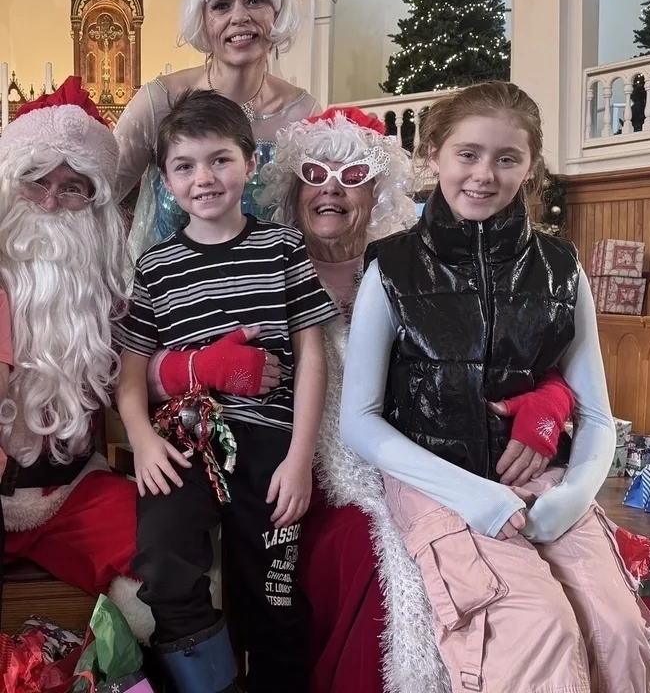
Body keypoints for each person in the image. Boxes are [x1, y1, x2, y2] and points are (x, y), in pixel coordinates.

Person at [149, 107, 580, 693]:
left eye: (352, 176)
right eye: (315, 174)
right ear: (290, 187)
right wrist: (194, 368)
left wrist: (553, 397)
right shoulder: (259, 261)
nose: (331, 189)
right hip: (297, 477)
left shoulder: (411, 266)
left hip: (425, 466)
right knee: (371, 561)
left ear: (377, 191)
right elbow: (151, 363)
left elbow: (498, 355)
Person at [339, 82, 650, 693]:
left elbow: (596, 413)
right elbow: (359, 418)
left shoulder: (561, 267)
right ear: (434, 154)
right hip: (438, 481)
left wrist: (573, 495)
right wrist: (474, 497)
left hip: (544, 484)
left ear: (529, 166)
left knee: (618, 631)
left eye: (506, 158)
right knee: (539, 629)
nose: (484, 175)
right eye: (468, 154)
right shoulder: (392, 266)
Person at [116, 89, 337, 693]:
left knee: (273, 594)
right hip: (182, 444)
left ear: (250, 162)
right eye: (184, 166)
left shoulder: (282, 248)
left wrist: (300, 458)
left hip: (270, 446)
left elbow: (312, 357)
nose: (204, 178)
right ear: (165, 180)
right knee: (164, 565)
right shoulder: (156, 266)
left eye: (220, 159)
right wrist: (143, 441)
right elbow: (130, 375)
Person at [0, 76, 152, 639]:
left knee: (167, 550)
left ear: (95, 204)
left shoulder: (105, 296)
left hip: (69, 495)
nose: (50, 201)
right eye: (36, 181)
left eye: (72, 188)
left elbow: (133, 380)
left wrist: (198, 368)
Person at [114, 0, 320, 261]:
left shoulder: (304, 115)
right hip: (164, 285)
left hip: (268, 287)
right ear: (202, 18)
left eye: (255, 0)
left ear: (278, 10)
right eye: (221, 5)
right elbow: (97, 194)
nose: (240, 17)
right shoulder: (159, 101)